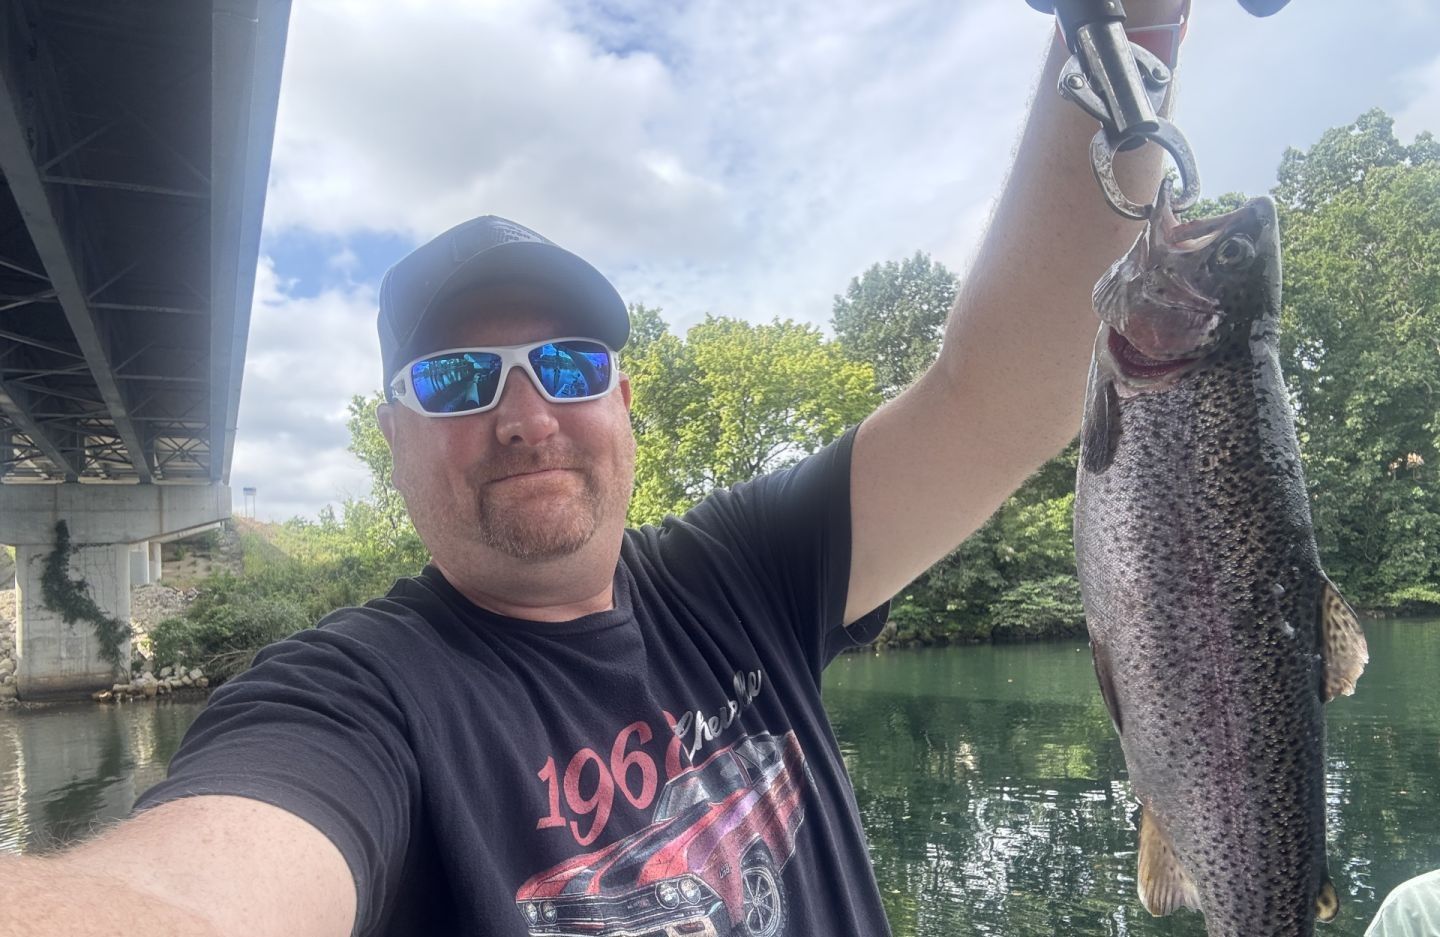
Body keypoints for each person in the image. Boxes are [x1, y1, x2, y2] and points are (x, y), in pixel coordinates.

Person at [0, 3, 1183, 935]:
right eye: (457, 380)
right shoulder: (355, 699)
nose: (525, 416)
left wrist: (1134, 25)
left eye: (567, 367)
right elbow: (185, 894)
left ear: (623, 404)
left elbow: (999, 395)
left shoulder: (745, 573)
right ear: (394, 437)